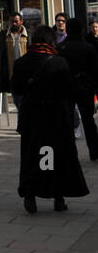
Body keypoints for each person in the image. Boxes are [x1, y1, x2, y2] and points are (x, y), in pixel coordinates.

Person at [10, 26, 90, 213]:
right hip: (55, 117)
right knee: (55, 156)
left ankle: (31, 195)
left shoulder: (21, 62)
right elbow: (68, 90)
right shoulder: (59, 62)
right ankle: (58, 197)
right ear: (51, 41)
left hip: (32, 117)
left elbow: (17, 88)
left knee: (32, 156)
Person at [57, 17, 98, 160]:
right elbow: (95, 71)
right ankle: (94, 151)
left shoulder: (61, 48)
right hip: (85, 88)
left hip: (67, 89)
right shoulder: (88, 48)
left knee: (67, 121)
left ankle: (69, 153)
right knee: (88, 120)